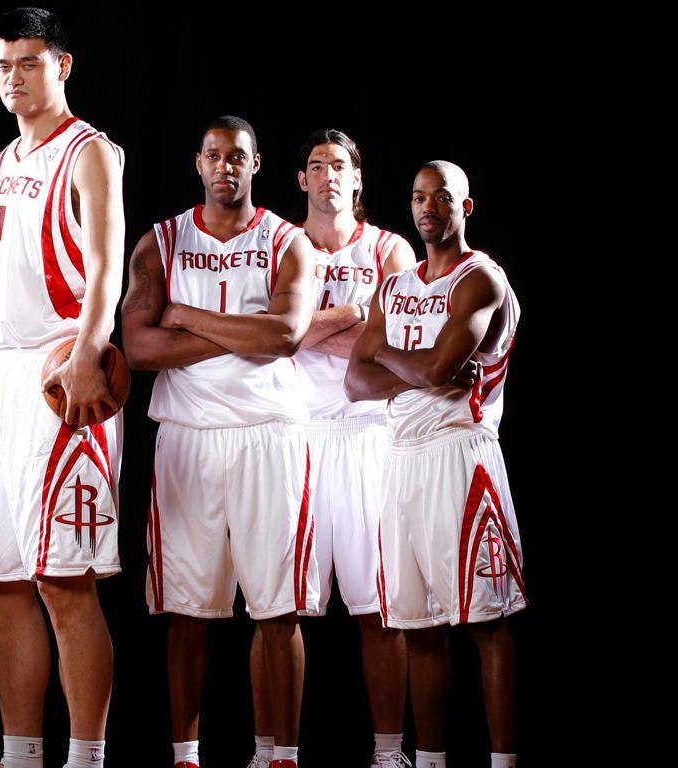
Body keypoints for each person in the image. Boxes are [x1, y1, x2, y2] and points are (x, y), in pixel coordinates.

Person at [0, 8, 125, 768]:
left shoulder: (90, 151)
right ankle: (20, 755)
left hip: (61, 377)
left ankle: (86, 758)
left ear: (62, 65)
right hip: (2, 380)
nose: (13, 78)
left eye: (28, 62)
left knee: (63, 579)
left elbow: (106, 266)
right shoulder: (2, 161)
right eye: (3, 65)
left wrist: (89, 352)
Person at [120, 116, 317, 768]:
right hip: (189, 437)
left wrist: (187, 318)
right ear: (198, 163)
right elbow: (139, 347)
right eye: (213, 156)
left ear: (255, 164)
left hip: (270, 435)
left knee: (278, 608)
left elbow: (285, 336)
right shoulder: (160, 242)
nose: (224, 166)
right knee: (187, 610)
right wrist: (242, 331)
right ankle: (186, 754)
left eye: (237, 156)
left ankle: (280, 755)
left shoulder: (288, 241)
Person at [344, 161, 523, 768]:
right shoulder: (394, 287)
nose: (427, 208)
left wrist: (394, 358)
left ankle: (503, 763)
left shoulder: (481, 279)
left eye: (441, 198)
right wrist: (415, 366)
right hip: (400, 460)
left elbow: (438, 370)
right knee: (417, 627)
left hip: (460, 455)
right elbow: (354, 382)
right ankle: (430, 761)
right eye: (419, 198)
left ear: (464, 207)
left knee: (486, 624)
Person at [275, 128, 416, 767]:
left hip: (368, 433)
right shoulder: (282, 243)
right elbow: (271, 335)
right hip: (294, 431)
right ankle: (278, 752)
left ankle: (388, 752)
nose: (327, 175)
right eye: (315, 165)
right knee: (280, 608)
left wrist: (307, 330)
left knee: (379, 607)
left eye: (339, 166)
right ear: (301, 179)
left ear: (357, 179)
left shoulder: (389, 249)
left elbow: (402, 342)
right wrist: (355, 317)